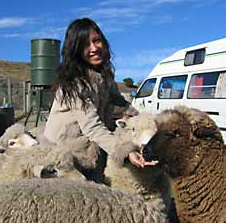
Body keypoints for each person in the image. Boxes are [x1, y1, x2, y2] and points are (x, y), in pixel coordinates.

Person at [43, 18, 157, 181]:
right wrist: (125, 150)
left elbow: (119, 103)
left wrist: (143, 120)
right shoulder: (75, 83)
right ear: (75, 51)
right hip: (64, 154)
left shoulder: (104, 77)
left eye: (96, 40)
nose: (94, 48)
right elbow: (92, 127)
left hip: (91, 147)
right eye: (85, 45)